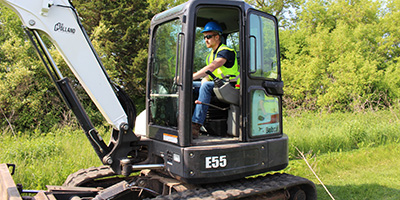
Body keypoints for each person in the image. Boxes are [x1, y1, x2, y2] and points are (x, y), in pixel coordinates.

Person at [192, 21, 240, 139]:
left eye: (208, 37)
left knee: (205, 86)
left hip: (230, 85)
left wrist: (193, 76)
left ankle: (196, 125)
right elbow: (209, 74)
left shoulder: (225, 51)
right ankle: (185, 120)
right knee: (190, 85)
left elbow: (212, 67)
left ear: (217, 37)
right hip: (218, 84)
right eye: (204, 37)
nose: (206, 40)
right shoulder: (210, 55)